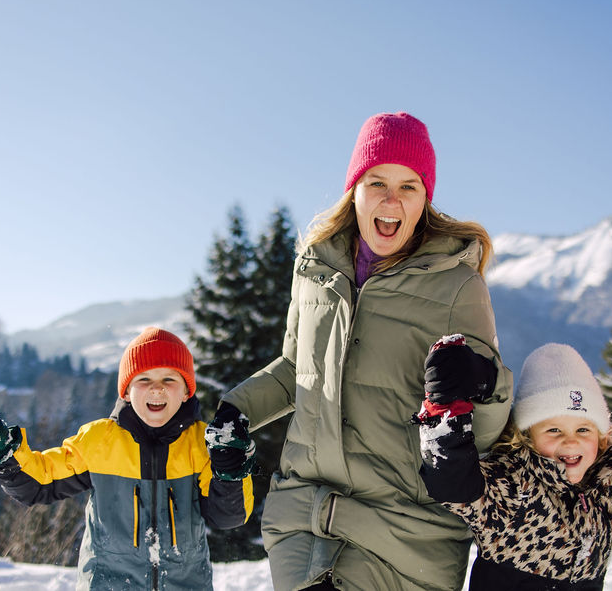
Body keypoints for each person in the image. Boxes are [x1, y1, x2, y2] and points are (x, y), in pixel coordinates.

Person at [205, 111, 514, 591]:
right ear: (355, 188)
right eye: (377, 182)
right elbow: (296, 368)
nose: (391, 200)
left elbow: (480, 425)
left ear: (425, 197)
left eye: (408, 186)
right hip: (306, 512)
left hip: (405, 529)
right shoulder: (315, 265)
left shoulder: (457, 284)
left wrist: (481, 381)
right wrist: (237, 408)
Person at [0, 327, 254, 591]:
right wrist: (6, 460)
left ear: (186, 391)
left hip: (186, 584)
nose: (157, 388)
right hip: (109, 584)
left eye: (169, 378)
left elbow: (227, 517)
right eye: (144, 379)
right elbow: (40, 483)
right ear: (126, 390)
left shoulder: (202, 445)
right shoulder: (99, 441)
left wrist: (230, 471)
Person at [419, 340, 612, 590]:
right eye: (554, 430)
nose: (570, 442)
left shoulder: (605, 488)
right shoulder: (513, 484)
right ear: (526, 436)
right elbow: (452, 483)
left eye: (584, 430)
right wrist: (446, 411)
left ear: (601, 439)